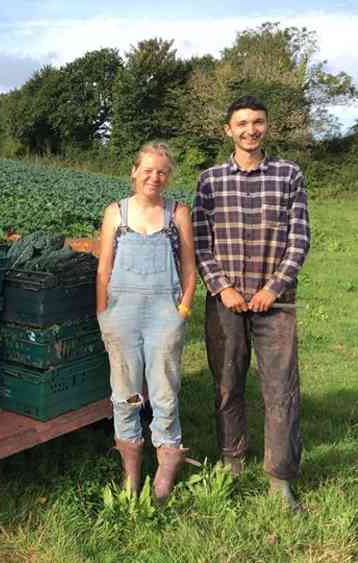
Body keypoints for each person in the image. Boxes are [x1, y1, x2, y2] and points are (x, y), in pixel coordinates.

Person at [192, 95, 311, 511]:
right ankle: (232, 459)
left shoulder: (288, 174)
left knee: (281, 389)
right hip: (225, 300)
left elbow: (299, 238)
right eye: (241, 123)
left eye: (257, 122)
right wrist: (220, 286)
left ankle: (280, 477)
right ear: (228, 129)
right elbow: (200, 240)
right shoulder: (208, 180)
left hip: (274, 303)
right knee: (227, 384)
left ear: (267, 126)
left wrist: (273, 287)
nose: (250, 130)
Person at [96, 142, 196, 502]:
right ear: (135, 172)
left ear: (168, 177)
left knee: (164, 391)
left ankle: (167, 469)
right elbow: (104, 267)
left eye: (163, 172)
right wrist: (103, 312)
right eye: (148, 170)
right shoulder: (115, 214)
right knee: (126, 394)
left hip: (163, 316)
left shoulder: (177, 213)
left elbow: (188, 266)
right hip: (121, 315)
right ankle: (131, 474)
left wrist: (182, 309)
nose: (155, 177)